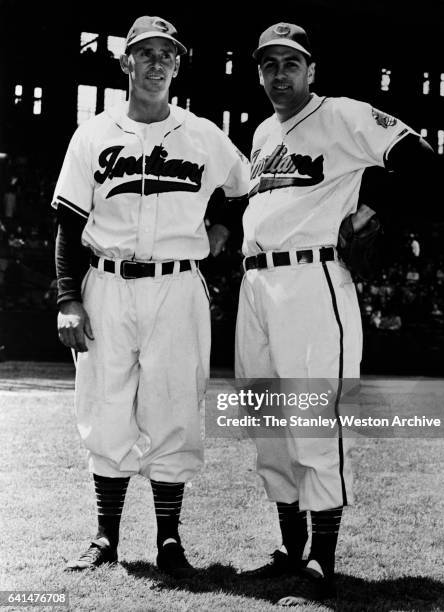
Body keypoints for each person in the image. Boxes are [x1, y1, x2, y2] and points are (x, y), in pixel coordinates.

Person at [235, 22, 434, 604]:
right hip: (256, 283)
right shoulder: (260, 131)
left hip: (313, 279)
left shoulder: (343, 113)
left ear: (310, 69)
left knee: (312, 417)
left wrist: (370, 211)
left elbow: (420, 160)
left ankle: (322, 558)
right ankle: (290, 551)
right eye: (268, 64)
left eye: (289, 63)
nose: (278, 74)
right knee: (266, 420)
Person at [53, 16, 249, 577]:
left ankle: (168, 541)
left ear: (178, 65)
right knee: (105, 405)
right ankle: (105, 537)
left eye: (167, 54)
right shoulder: (92, 134)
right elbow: (68, 224)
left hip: (178, 285)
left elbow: (246, 186)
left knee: (175, 407)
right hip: (107, 285)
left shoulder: (204, 133)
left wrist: (224, 229)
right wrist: (69, 298)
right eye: (146, 53)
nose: (157, 62)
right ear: (126, 63)